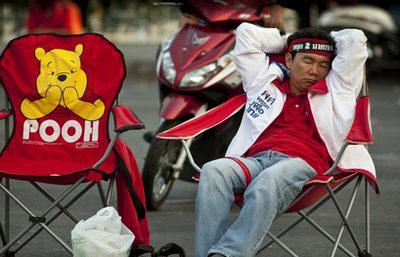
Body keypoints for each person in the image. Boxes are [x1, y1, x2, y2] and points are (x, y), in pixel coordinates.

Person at [195, 22, 376, 257]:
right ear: (289, 60)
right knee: (213, 171)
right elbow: (245, 34)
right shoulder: (263, 82)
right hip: (256, 160)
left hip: (303, 164)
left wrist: (321, 38)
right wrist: (290, 39)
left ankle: (228, 254)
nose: (315, 71)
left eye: (323, 64)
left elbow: (355, 38)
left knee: (270, 179)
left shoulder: (337, 89)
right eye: (307, 60)